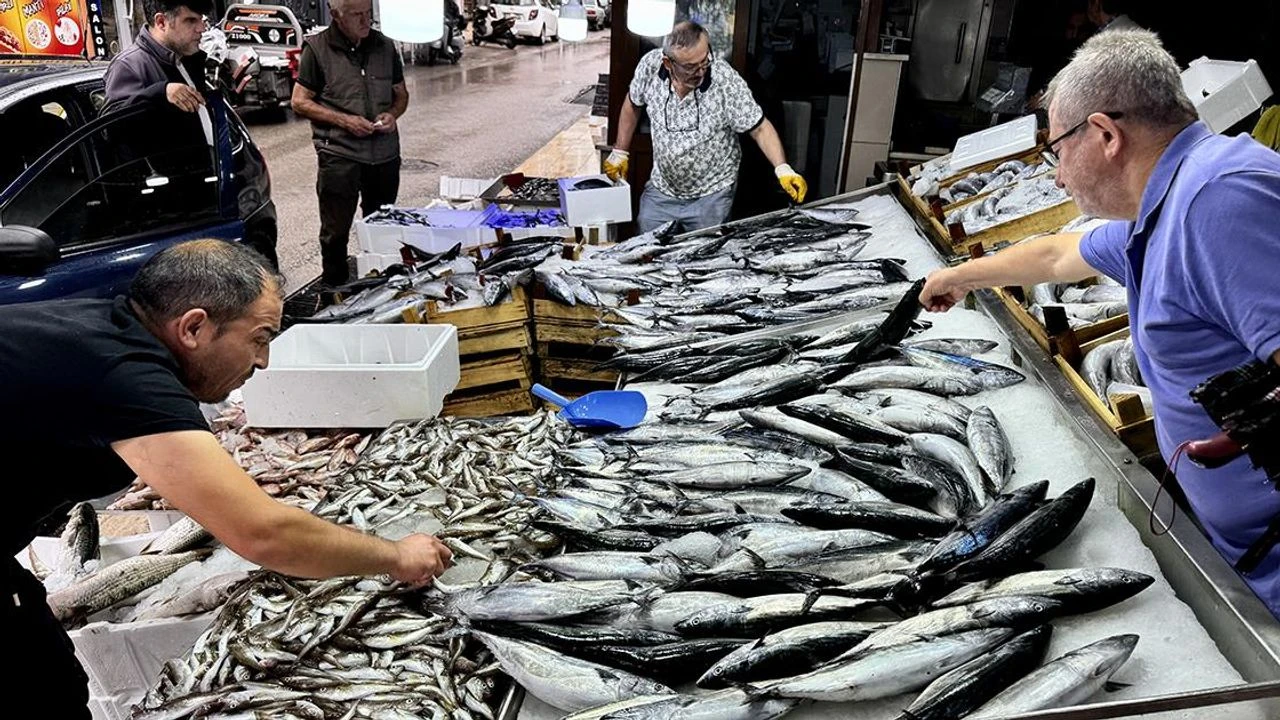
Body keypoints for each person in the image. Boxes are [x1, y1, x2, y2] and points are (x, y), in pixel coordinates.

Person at [0, 239, 453, 717]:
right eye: (259, 338)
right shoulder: (123, 375)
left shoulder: (100, 332)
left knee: (50, 674)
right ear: (193, 327)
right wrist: (397, 556)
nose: (264, 361)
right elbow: (265, 533)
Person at [919, 30, 1280, 614]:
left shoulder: (1219, 200)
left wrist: (1250, 428)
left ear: (1106, 135)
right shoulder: (1166, 205)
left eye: (1057, 151)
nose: (1057, 177)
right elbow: (1058, 256)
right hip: (1249, 552)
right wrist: (961, 277)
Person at [605, 21, 808, 234]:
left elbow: (760, 127)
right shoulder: (650, 66)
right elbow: (632, 104)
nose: (701, 71)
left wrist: (782, 168)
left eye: (705, 60)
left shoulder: (725, 80)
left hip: (712, 194)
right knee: (648, 247)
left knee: (705, 252)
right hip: (662, 189)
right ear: (668, 63)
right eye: (691, 66)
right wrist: (620, 151)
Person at [291, 0, 408, 286]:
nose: (366, 21)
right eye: (357, 15)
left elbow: (401, 94)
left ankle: (380, 286)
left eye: (368, 13)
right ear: (336, 15)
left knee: (381, 226)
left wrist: (392, 115)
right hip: (340, 155)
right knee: (335, 233)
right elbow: (300, 102)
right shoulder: (317, 49)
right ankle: (334, 290)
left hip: (384, 155)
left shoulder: (384, 46)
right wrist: (345, 121)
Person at [102, 0, 212, 116]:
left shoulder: (189, 57)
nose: (202, 28)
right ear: (161, 22)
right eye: (191, 21)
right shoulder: (128, 65)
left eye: (201, 20)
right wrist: (160, 93)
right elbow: (112, 121)